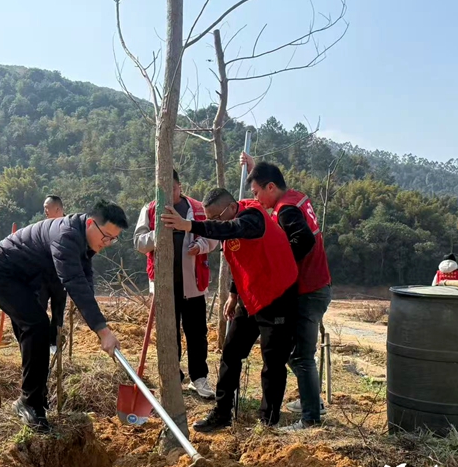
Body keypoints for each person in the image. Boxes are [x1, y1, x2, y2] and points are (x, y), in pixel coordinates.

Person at [0, 199, 128, 431]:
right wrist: (103, 331)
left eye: (113, 239)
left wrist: (98, 326)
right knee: (38, 326)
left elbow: (85, 281)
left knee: (34, 335)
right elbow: (74, 282)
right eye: (106, 236)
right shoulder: (66, 235)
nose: (108, 243)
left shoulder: (83, 239)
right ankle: (29, 403)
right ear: (91, 223)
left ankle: (35, 397)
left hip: (27, 280)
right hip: (2, 273)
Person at [162, 188, 299, 433]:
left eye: (215, 217)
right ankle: (222, 412)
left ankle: (267, 422)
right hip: (251, 295)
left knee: (272, 361)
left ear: (231, 208)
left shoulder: (253, 218)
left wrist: (189, 226)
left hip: (278, 294)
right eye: (209, 218)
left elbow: (231, 229)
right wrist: (234, 295)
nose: (213, 223)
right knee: (231, 352)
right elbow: (241, 259)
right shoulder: (230, 223)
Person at [241, 155, 333, 430]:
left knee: (300, 355)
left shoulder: (286, 210)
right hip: (317, 285)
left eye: (257, 192)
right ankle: (312, 401)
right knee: (299, 354)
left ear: (270, 187)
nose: (257, 199)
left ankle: (311, 418)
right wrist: (255, 166)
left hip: (309, 289)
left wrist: (280, 264)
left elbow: (302, 239)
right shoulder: (295, 198)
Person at [134, 169, 219, 398]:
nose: (168, 194)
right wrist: (157, 234)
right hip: (164, 287)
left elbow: (212, 237)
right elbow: (139, 242)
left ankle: (199, 378)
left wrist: (200, 246)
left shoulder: (198, 208)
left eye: (171, 188)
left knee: (197, 333)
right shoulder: (150, 209)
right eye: (162, 190)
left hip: (193, 284)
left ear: (180, 186)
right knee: (169, 334)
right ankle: (174, 378)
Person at [42, 195, 67, 354]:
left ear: (57, 209)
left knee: (58, 312)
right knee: (39, 309)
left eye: (47, 207)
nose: (44, 211)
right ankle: (41, 341)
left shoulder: (69, 226)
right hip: (43, 277)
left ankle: (54, 343)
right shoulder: (43, 227)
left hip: (61, 278)